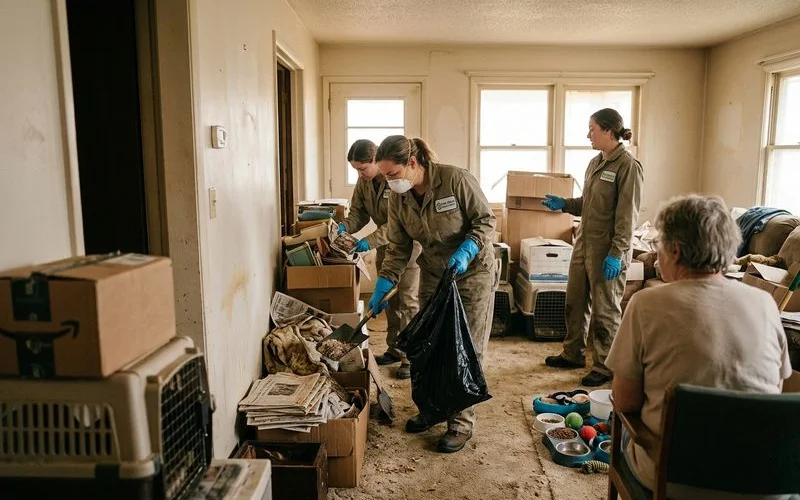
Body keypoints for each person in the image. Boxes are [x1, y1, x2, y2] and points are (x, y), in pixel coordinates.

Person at [606, 194, 792, 499]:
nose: (656, 254)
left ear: (676, 251)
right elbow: (777, 387)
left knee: (622, 426)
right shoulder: (765, 303)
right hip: (767, 483)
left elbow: (625, 402)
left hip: (675, 483)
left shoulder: (645, 304)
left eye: (658, 246)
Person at [367, 135, 497, 453]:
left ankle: (460, 424)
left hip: (472, 274)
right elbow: (398, 247)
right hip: (434, 275)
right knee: (427, 347)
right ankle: (432, 410)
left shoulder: (456, 179)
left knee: (465, 348)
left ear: (413, 163)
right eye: (384, 175)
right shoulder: (398, 197)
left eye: (392, 174)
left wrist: (468, 248)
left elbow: (486, 220)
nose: (388, 181)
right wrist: (384, 282)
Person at [541, 108, 644, 386]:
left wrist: (616, 253)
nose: (589, 135)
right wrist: (564, 204)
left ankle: (605, 364)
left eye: (593, 129)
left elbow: (627, 217)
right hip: (584, 243)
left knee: (605, 308)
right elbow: (587, 203)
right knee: (574, 301)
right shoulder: (595, 162)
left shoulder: (628, 166)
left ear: (609, 131)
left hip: (608, 250)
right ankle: (572, 353)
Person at [338, 139, 421, 379]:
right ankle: (395, 348)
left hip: (409, 249)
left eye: (363, 168)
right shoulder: (363, 182)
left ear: (375, 161)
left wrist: (368, 241)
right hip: (386, 249)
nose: (360, 173)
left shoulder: (395, 180)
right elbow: (358, 213)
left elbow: (398, 224)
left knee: (407, 302)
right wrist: (344, 228)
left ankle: (410, 357)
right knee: (388, 301)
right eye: (355, 169)